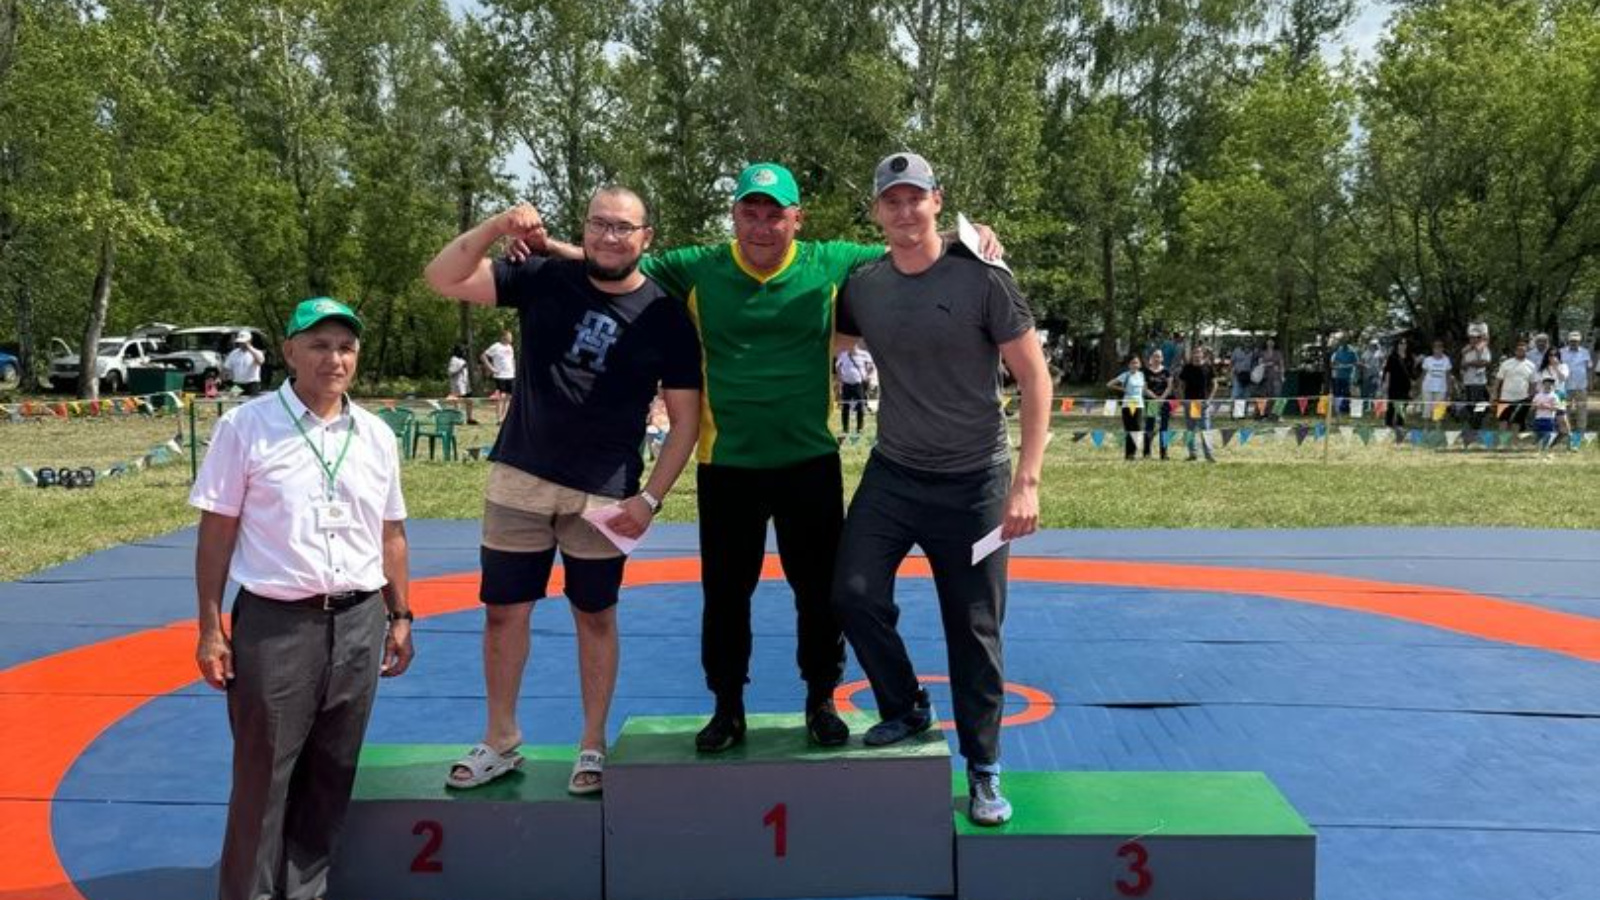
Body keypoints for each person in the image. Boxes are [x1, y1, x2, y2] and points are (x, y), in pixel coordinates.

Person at [515, 162, 1003, 754]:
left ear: (798, 219)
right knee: (725, 595)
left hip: (809, 462)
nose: (762, 225)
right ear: (735, 216)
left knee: (818, 594)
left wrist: (968, 239)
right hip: (728, 465)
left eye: (775, 214)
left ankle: (821, 699)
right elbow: (620, 259)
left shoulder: (830, 261)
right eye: (750, 212)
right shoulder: (699, 267)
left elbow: (908, 239)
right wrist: (550, 246)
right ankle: (727, 706)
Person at [422, 186, 702, 794]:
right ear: (584, 227)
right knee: (503, 612)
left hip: (604, 494)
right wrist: (497, 225)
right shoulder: (543, 277)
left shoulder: (665, 315)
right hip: (519, 475)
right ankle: (500, 737)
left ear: (646, 238)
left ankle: (592, 742)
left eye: (623, 227)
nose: (609, 236)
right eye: (599, 224)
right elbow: (442, 277)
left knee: (595, 616)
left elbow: (685, 422)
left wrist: (651, 499)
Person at [831, 152, 1048, 827]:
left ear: (936, 201)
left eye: (915, 198)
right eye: (891, 201)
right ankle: (905, 705)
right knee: (851, 593)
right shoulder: (863, 285)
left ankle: (984, 767)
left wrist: (1026, 483)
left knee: (973, 628)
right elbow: (826, 346)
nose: (904, 211)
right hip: (895, 473)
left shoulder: (984, 277)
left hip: (976, 481)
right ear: (876, 211)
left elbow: (1035, 378)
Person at [190, 297, 415, 900]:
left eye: (345, 347)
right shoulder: (246, 427)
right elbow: (217, 533)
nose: (333, 359)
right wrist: (210, 628)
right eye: (318, 345)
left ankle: (305, 891)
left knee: (331, 775)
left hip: (361, 620)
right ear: (289, 351)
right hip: (277, 624)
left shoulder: (375, 435)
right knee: (263, 780)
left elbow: (390, 533)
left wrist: (400, 614)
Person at [1106, 353, 1150, 461]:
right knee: (1129, 429)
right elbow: (1109, 384)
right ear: (1129, 365)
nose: (1135, 365)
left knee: (1137, 429)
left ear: (1140, 364)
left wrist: (1156, 397)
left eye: (1137, 363)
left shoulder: (1142, 375)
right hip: (1128, 404)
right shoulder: (1125, 375)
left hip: (1139, 404)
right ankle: (1129, 455)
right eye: (1132, 363)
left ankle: (1132, 453)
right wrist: (1123, 389)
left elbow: (1144, 390)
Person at [1177, 345, 1217, 462]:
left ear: (1203, 354)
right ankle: (1192, 454)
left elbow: (1215, 384)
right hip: (1190, 403)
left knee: (1205, 430)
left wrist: (1209, 400)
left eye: (1199, 352)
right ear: (1192, 354)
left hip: (1203, 403)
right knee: (1191, 430)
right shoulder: (1187, 368)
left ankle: (1209, 455)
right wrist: (1183, 399)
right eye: (1194, 352)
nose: (1196, 354)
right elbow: (1180, 385)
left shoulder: (1208, 367)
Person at [1492, 339, 1537, 433]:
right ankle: (1502, 440)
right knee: (1503, 420)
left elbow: (1533, 383)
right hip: (1505, 397)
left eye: (1523, 350)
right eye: (1519, 350)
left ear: (1526, 351)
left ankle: (1513, 440)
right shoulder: (1506, 363)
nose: (1521, 352)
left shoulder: (1531, 365)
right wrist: (1494, 394)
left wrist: (1531, 397)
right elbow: (1498, 380)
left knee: (1517, 422)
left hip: (1523, 398)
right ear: (1515, 351)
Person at [836, 343, 875, 438]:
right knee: (845, 407)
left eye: (853, 345)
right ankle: (845, 429)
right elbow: (838, 367)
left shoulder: (864, 354)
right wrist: (840, 379)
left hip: (858, 385)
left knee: (860, 407)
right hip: (846, 385)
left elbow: (871, 367)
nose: (850, 346)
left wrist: (868, 376)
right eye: (849, 345)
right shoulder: (843, 354)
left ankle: (859, 429)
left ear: (856, 346)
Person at [1142, 348, 1173, 459]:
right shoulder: (1146, 372)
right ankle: (1146, 452)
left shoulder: (1167, 371)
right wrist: (1155, 398)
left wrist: (1162, 399)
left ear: (1162, 358)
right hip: (1151, 402)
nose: (1157, 358)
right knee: (1149, 426)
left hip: (1164, 402)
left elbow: (1169, 387)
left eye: (1159, 356)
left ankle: (1164, 453)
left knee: (1164, 428)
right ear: (1151, 358)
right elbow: (1145, 388)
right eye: (1155, 356)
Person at [1537, 346, 1571, 444]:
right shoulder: (1544, 369)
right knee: (1547, 420)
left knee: (1563, 419)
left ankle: (1571, 443)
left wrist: (1556, 367)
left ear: (1559, 356)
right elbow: (1540, 384)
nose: (1553, 357)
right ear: (1547, 356)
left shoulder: (1563, 366)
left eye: (1555, 355)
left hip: (1560, 395)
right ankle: (1546, 442)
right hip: (1546, 396)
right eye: (1550, 355)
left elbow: (1563, 378)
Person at [1461, 326, 1493, 429]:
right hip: (1468, 381)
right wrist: (1470, 363)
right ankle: (1473, 423)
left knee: (1480, 404)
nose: (1473, 340)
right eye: (1471, 338)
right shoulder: (1466, 350)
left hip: (1479, 382)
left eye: (1476, 338)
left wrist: (1470, 363)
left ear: (1479, 339)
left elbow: (1484, 363)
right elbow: (1463, 365)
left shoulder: (1484, 349)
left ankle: (1478, 423)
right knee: (1470, 404)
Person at [481, 330, 516, 422]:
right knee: (501, 396)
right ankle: (499, 418)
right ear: (504, 337)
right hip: (500, 375)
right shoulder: (496, 346)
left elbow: (512, 360)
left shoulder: (510, 347)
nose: (511, 338)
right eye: (509, 336)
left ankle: (505, 417)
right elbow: (483, 356)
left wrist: (514, 370)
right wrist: (491, 368)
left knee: (509, 397)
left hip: (510, 375)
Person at [1560, 331, 1591, 434]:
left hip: (1581, 385)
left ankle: (1581, 430)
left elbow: (1589, 368)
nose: (1574, 343)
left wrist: (1590, 382)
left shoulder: (1585, 352)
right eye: (1572, 341)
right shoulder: (1561, 352)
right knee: (1564, 408)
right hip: (1565, 385)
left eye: (1576, 341)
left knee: (1581, 409)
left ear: (1579, 341)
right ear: (1568, 341)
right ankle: (1565, 430)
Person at [1381, 338, 1413, 428]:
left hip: (1405, 385)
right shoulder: (1392, 357)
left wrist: (1411, 387)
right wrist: (1386, 384)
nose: (1403, 345)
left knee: (1403, 405)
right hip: (1393, 384)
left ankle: (1400, 424)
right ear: (1397, 345)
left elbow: (1411, 373)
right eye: (1401, 343)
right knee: (1391, 404)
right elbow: (1388, 371)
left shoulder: (1410, 357)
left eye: (1405, 343)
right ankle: (1388, 423)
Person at [1419, 339, 1454, 423]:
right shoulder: (1427, 360)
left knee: (1438, 413)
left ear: (1443, 348)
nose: (1438, 348)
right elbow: (1423, 374)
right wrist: (1419, 386)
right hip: (1427, 388)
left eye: (1440, 346)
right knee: (1427, 411)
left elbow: (1448, 376)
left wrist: (1449, 389)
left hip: (1441, 388)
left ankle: (1437, 428)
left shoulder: (1446, 360)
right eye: (1435, 346)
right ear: (1432, 348)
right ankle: (1426, 428)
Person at [223, 331, 266, 396]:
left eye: (243, 342)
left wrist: (250, 349)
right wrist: (221, 377)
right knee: (234, 399)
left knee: (252, 401)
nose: (241, 344)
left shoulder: (257, 352)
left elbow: (260, 362)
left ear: (249, 341)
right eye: (240, 342)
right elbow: (226, 367)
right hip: (237, 383)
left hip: (252, 383)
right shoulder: (233, 353)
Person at [447, 344, 479, 425]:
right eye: (463, 351)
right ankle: (458, 419)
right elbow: (450, 372)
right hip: (458, 385)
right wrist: (460, 367)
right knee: (457, 402)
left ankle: (469, 418)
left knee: (470, 400)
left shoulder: (462, 360)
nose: (464, 352)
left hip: (465, 385)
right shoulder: (453, 359)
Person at [1531, 376, 1560, 456]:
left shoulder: (1554, 396)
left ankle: (1545, 450)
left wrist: (1547, 406)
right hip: (1538, 418)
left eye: (1551, 384)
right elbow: (1532, 407)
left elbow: (1556, 408)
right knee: (1538, 436)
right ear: (1543, 384)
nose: (1549, 385)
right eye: (1547, 383)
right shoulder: (1538, 395)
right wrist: (1537, 406)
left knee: (1548, 435)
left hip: (1549, 419)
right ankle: (1537, 451)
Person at [1256, 337, 1284, 417]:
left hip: (1276, 376)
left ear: (1274, 343)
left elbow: (1282, 364)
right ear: (1266, 342)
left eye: (1272, 341)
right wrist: (1269, 364)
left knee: (1277, 394)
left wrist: (1282, 375)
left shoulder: (1278, 353)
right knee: (1266, 395)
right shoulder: (1262, 353)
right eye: (1269, 341)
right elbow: (1260, 364)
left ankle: (1276, 414)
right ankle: (1265, 413)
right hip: (1265, 377)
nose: (1270, 343)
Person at [1330, 341, 1358, 414]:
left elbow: (1356, 363)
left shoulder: (1352, 353)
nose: (1344, 346)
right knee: (1338, 393)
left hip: (1347, 376)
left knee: (1346, 393)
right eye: (1343, 344)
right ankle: (1338, 408)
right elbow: (1333, 364)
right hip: (1338, 376)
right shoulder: (1337, 353)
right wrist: (1337, 366)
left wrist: (1348, 365)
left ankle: (1345, 408)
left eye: (1345, 344)